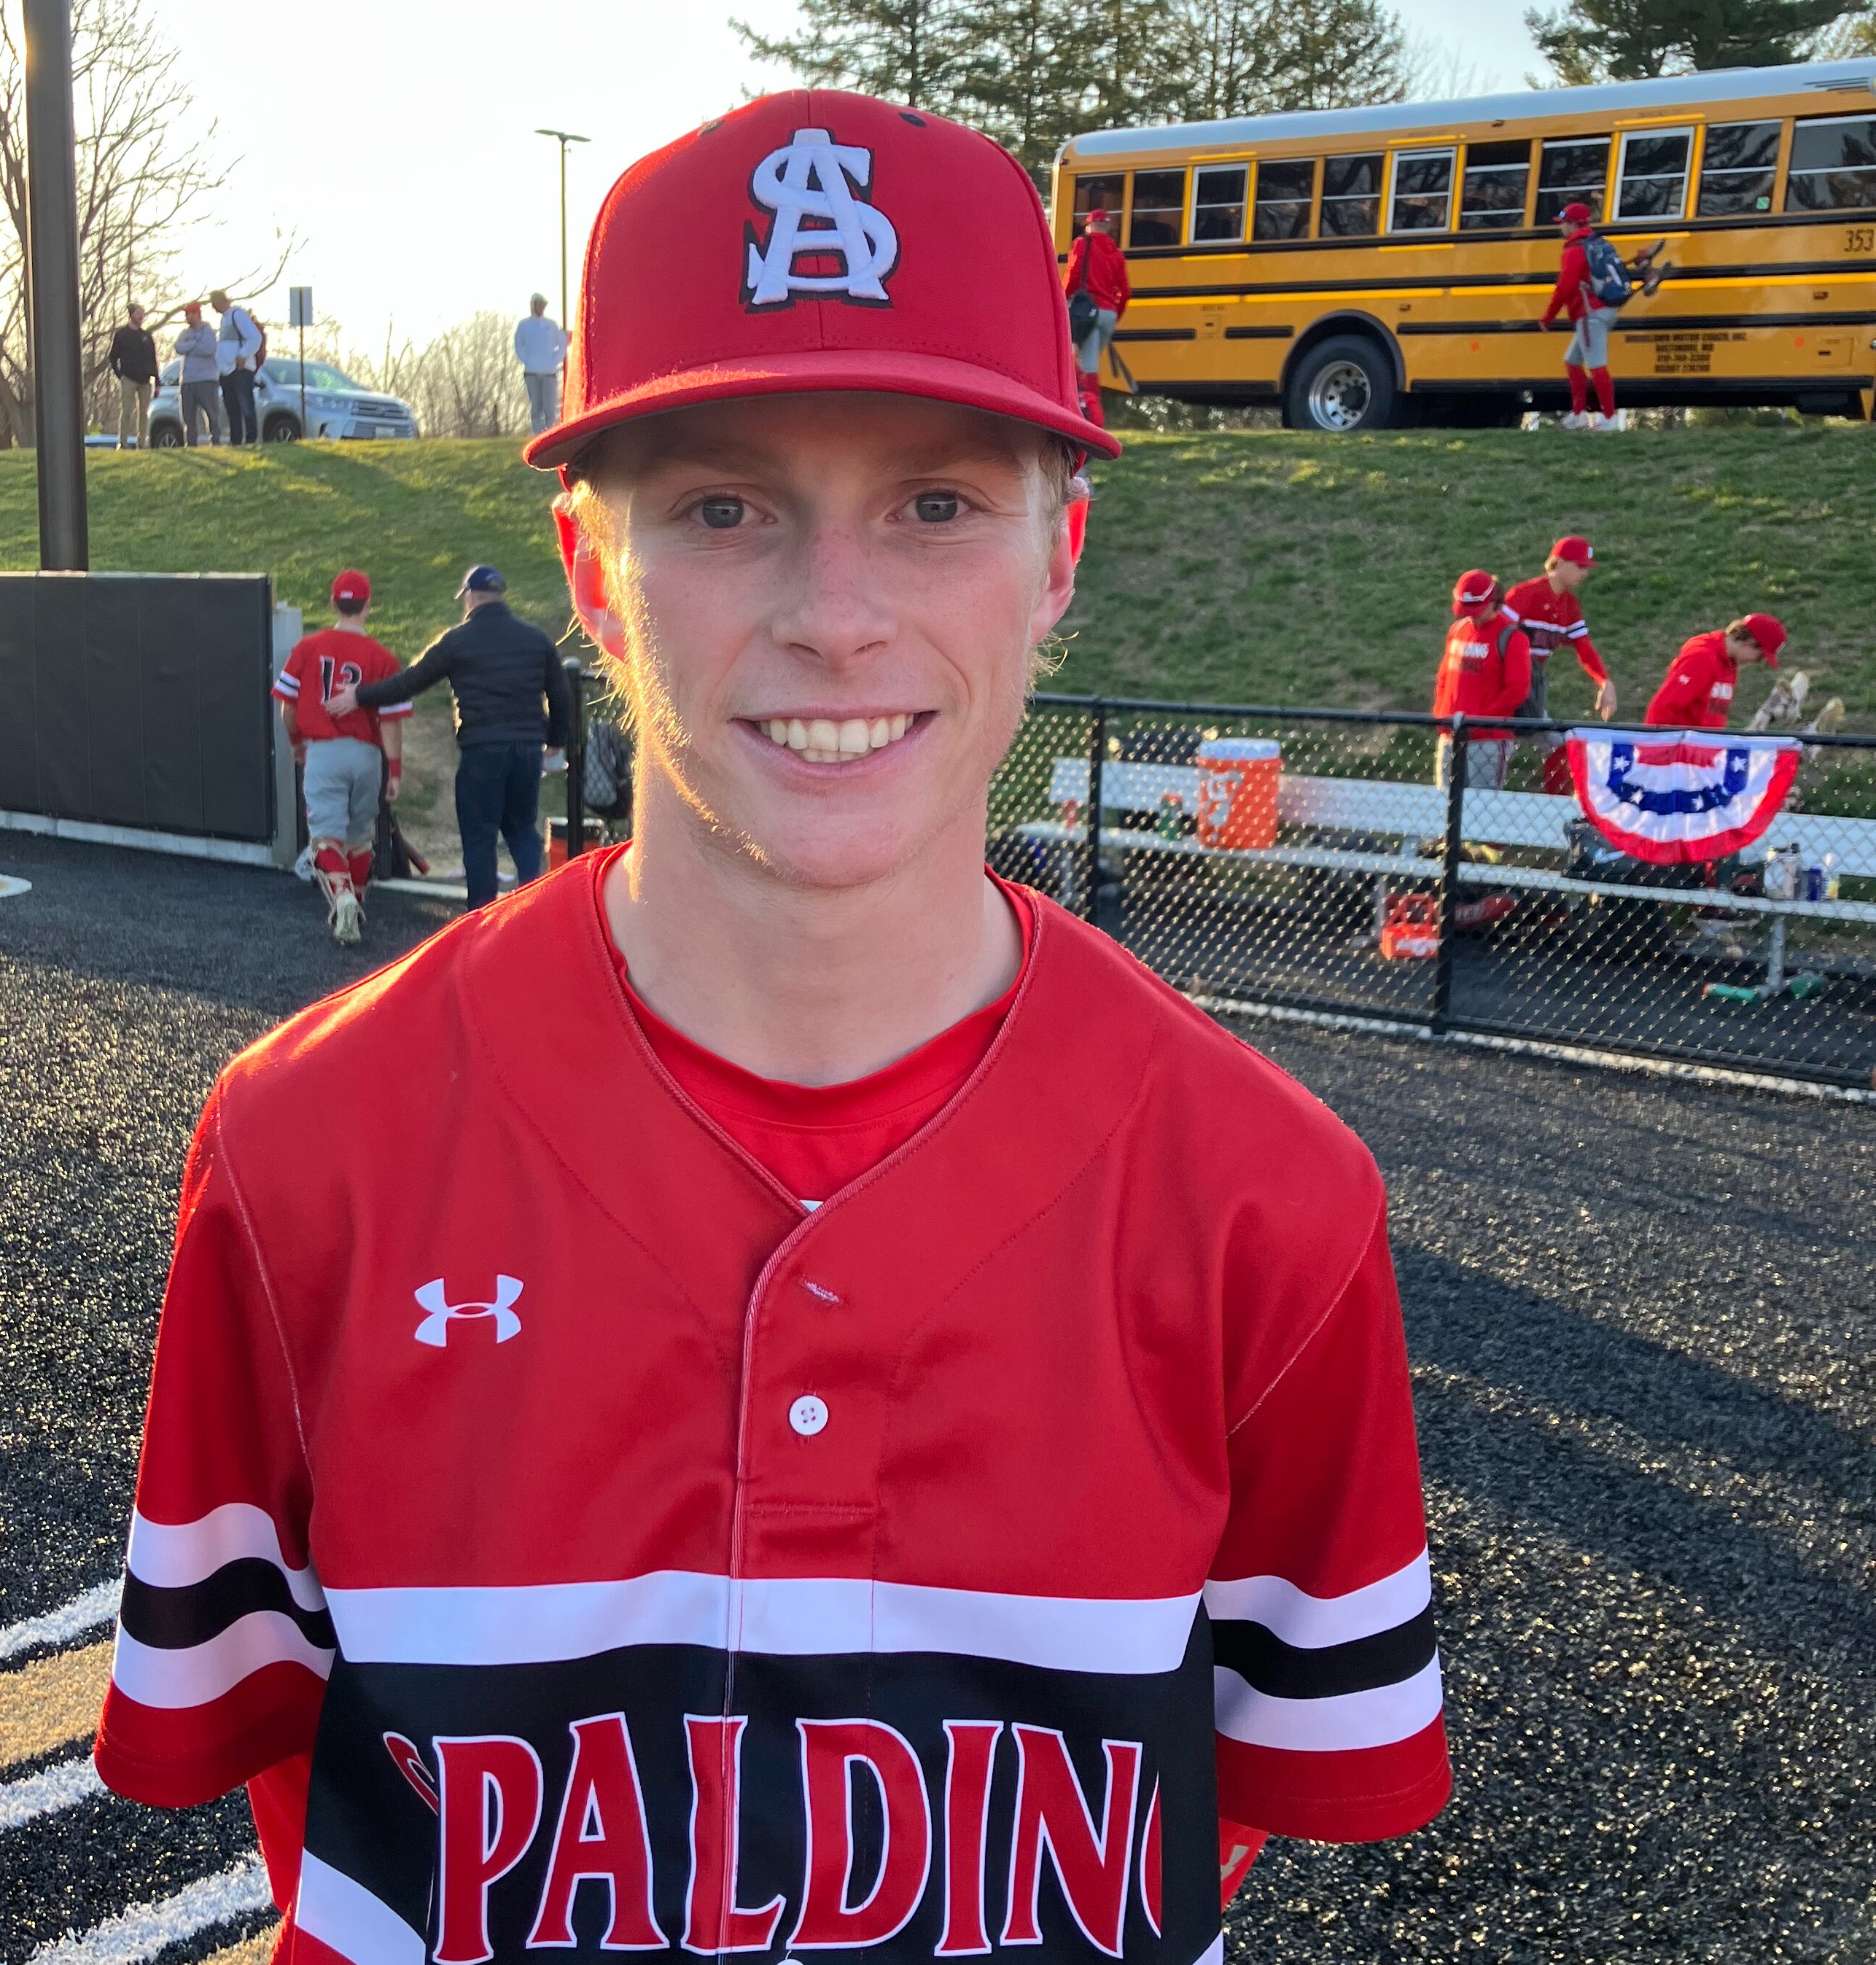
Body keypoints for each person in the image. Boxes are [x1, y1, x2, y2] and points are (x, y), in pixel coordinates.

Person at [95, 90, 1449, 1962]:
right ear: (591, 573)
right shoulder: (303, 1155)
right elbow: (271, 1779)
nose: (836, 616)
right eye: (723, 509)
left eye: (937, 505)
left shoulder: (1272, 1208)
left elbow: (1251, 1809)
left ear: (1058, 559)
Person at [326, 563, 572, 908]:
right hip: (528, 747)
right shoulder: (536, 639)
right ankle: (537, 905)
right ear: (500, 595)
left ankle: (482, 917)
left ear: (470, 596)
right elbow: (561, 695)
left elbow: (409, 683)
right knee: (521, 829)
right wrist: (557, 741)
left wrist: (358, 696)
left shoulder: (457, 641)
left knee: (480, 836)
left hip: (482, 749)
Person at [271, 569, 412, 944]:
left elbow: (287, 706)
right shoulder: (383, 658)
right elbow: (392, 722)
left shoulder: (308, 647)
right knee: (359, 838)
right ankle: (356, 905)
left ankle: (344, 898)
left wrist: (296, 741)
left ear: (333, 603)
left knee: (324, 841)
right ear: (368, 606)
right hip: (367, 755)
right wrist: (394, 771)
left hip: (325, 752)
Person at [1502, 534, 1614, 792]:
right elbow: (1495, 638)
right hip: (1505, 683)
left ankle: (1558, 805)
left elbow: (1584, 648)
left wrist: (1605, 682)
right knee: (1495, 750)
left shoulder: (1570, 606)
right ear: (1559, 563)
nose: (1585, 573)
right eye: (1580, 566)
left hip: (1530, 686)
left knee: (1558, 746)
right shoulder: (1525, 594)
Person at [1539, 203, 1653, 433]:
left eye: (1563, 223)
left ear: (1573, 224)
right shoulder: (1596, 243)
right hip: (1601, 311)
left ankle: (1608, 419)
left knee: (1597, 366)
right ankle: (1579, 414)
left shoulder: (1575, 249)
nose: (1561, 227)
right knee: (1572, 361)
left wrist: (1548, 317)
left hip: (1590, 314)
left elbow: (1565, 287)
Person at [1434, 568, 1533, 790]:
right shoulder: (1458, 629)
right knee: (1444, 805)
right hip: (1451, 735)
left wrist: (1479, 722)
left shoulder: (1512, 637)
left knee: (1480, 809)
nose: (1471, 614)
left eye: (1476, 608)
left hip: (1488, 740)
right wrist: (1441, 714)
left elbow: (1517, 691)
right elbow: (1444, 676)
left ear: (1494, 601)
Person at [1645, 613, 1788, 729]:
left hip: (1700, 754)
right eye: (1761, 656)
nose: (1758, 661)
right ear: (1749, 641)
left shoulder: (1729, 667)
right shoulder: (1701, 659)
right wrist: (1656, 750)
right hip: (1678, 755)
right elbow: (1662, 707)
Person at [1065, 206, 1129, 430]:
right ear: (1108, 228)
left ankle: (1090, 418)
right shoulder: (1117, 254)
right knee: (1086, 361)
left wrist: (1061, 300)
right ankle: (1085, 410)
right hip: (1109, 314)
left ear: (1090, 226)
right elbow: (1125, 292)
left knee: (1086, 364)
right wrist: (1113, 316)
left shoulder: (1083, 244)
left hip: (1087, 312)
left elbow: (1073, 274)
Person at [212, 288, 264, 445]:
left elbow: (255, 338)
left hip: (240, 370)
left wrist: (242, 355)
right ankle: (236, 440)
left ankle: (251, 439)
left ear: (219, 302)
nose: (213, 308)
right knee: (232, 408)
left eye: (214, 303)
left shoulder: (237, 315)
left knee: (246, 406)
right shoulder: (225, 319)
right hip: (227, 370)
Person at [515, 292, 568, 436]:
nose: (541, 307)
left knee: (550, 408)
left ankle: (550, 435)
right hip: (532, 373)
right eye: (538, 304)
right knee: (536, 407)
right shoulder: (524, 326)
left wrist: (554, 361)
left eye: (543, 305)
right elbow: (519, 346)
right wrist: (529, 361)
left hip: (549, 373)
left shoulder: (551, 326)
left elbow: (562, 344)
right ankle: (537, 435)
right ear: (533, 306)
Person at [109, 303, 160, 448]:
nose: (141, 316)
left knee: (144, 414)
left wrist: (157, 381)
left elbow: (153, 359)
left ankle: (142, 443)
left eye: (142, 313)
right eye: (138, 313)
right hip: (128, 379)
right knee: (126, 412)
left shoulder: (146, 336)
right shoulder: (121, 335)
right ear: (131, 315)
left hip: (145, 381)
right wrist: (121, 376)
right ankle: (123, 443)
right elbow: (113, 358)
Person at [174, 302, 221, 446]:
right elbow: (178, 348)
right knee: (188, 417)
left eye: (189, 314)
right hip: (187, 381)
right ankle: (191, 444)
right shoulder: (185, 333)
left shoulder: (208, 331)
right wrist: (194, 343)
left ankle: (215, 441)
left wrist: (190, 347)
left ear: (197, 314)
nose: (187, 317)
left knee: (212, 414)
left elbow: (208, 349)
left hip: (206, 380)